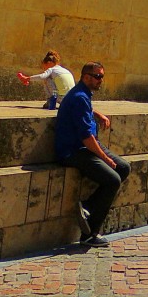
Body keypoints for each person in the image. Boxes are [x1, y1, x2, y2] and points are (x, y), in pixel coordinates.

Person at [54, 62, 131, 247]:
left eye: (102, 76)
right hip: (73, 150)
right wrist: (106, 159)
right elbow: (86, 138)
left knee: (124, 168)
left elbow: (83, 109)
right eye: (97, 77)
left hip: (84, 145)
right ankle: (89, 234)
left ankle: (89, 206)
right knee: (113, 179)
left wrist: (98, 114)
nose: (101, 80)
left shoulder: (83, 94)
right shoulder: (79, 97)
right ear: (86, 77)